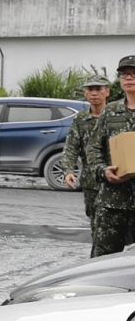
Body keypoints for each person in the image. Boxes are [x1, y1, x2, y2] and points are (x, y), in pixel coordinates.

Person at [90, 55, 135, 256]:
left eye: (134, 74)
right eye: (125, 74)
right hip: (113, 201)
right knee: (102, 260)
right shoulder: (110, 111)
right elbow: (93, 148)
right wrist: (102, 170)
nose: (129, 78)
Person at [63, 71, 112, 227]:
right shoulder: (80, 119)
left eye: (98, 89)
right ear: (85, 93)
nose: (94, 93)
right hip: (91, 181)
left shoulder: (116, 116)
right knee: (95, 223)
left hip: (115, 179)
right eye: (90, 90)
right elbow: (71, 147)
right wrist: (69, 171)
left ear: (107, 92)